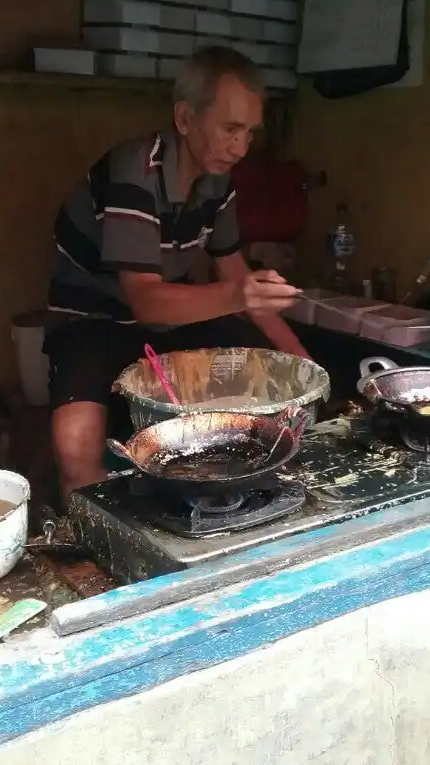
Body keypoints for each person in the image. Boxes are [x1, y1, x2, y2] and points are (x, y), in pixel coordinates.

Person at [45, 45, 309, 503]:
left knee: (272, 384)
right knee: (74, 445)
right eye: (230, 129)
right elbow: (145, 299)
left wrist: (306, 369)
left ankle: (234, 505)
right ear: (185, 119)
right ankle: (93, 547)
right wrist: (240, 295)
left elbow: (235, 271)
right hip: (91, 322)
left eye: (250, 133)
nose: (241, 147)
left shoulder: (217, 181)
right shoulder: (136, 170)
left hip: (173, 318)